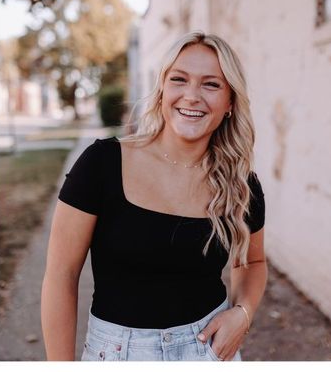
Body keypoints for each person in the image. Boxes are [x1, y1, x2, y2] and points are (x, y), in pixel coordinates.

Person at [42, 31, 267, 362]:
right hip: (119, 353)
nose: (192, 96)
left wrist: (243, 314)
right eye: (179, 79)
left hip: (209, 349)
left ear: (230, 103)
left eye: (211, 84)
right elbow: (61, 274)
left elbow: (253, 262)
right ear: (162, 89)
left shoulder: (240, 183)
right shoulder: (102, 164)